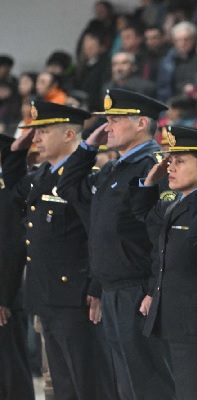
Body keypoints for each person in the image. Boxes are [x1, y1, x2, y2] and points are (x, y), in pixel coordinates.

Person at [56, 89, 176, 400]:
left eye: (115, 120)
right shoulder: (113, 168)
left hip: (138, 290)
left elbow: (160, 233)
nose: (107, 127)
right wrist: (87, 147)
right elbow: (69, 188)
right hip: (112, 289)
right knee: (125, 381)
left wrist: (153, 288)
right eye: (106, 120)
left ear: (141, 124)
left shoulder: (153, 167)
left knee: (149, 380)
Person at [1, 101, 118, 400]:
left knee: (89, 383)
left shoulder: (84, 178)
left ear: (69, 135)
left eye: (44, 131)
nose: (36, 138)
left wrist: (95, 285)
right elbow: (13, 195)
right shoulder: (41, 176)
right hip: (46, 295)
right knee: (63, 385)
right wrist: (15, 152)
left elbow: (96, 235)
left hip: (75, 296)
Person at [128, 126, 197, 400]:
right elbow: (150, 225)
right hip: (177, 316)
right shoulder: (176, 202)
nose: (170, 168)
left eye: (179, 161)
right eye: (169, 161)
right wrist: (150, 182)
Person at [0, 133, 34, 400]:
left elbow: (12, 248)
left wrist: (4, 298)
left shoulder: (6, 192)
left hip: (5, 298)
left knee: (12, 374)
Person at [156, 21, 197, 102]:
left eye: (187, 39)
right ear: (174, 41)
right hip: (171, 104)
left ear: (194, 39)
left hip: (195, 105)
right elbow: (162, 89)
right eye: (179, 40)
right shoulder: (166, 62)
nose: (183, 43)